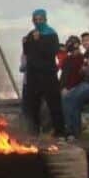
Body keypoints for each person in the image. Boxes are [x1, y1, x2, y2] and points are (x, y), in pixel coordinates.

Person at [21, 9, 66, 139]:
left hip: (48, 74)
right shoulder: (31, 34)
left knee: (54, 104)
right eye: (35, 20)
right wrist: (25, 43)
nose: (38, 22)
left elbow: (51, 52)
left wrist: (39, 40)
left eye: (40, 19)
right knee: (33, 105)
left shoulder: (51, 34)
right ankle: (34, 132)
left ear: (45, 19)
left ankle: (60, 132)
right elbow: (28, 52)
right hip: (33, 75)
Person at [63, 32, 89, 139]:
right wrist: (83, 69)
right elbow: (83, 71)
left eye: (87, 40)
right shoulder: (87, 54)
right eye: (83, 41)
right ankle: (72, 133)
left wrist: (83, 69)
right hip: (86, 83)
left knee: (72, 99)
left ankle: (72, 132)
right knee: (68, 99)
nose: (85, 43)